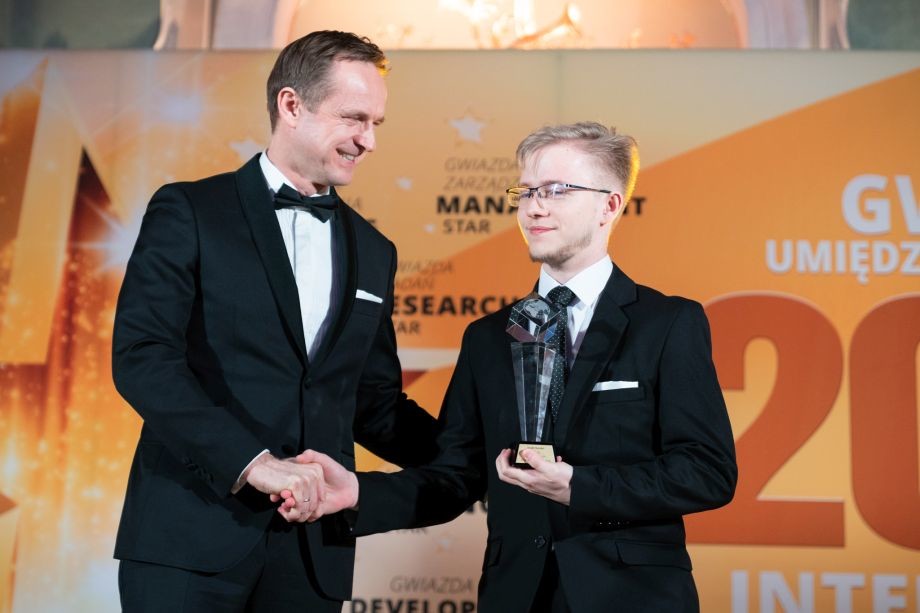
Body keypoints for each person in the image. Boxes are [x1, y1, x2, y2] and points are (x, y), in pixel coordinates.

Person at [300, 122, 738, 612]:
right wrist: (358, 491)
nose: (534, 207)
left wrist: (579, 487)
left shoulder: (667, 323)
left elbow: (707, 471)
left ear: (610, 205)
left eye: (557, 190)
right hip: (515, 596)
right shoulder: (488, 337)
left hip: (633, 597)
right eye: (526, 191)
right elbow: (456, 475)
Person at [111, 30, 438, 611]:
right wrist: (254, 464)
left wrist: (473, 452)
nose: (368, 141)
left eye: (375, 124)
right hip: (188, 539)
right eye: (354, 118)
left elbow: (373, 404)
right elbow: (143, 359)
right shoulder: (190, 210)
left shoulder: (375, 251)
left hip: (311, 556)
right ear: (291, 105)